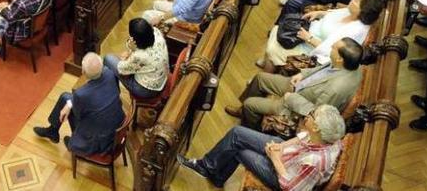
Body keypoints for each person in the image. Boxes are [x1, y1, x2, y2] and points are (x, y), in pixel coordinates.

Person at [177, 104, 347, 190]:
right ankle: (210, 170)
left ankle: (209, 170)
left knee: (240, 150)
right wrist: (279, 148)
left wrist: (275, 159)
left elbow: (290, 187)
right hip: (286, 154)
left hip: (280, 174)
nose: (307, 115)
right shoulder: (325, 136)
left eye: (311, 115)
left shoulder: (315, 162)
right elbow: (301, 139)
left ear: (316, 127)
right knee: (237, 133)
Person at [230, 39, 365, 129]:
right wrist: (302, 74)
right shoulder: (349, 64)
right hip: (300, 86)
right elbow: (323, 69)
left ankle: (250, 128)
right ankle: (242, 111)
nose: (330, 47)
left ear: (340, 58)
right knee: (260, 78)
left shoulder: (336, 89)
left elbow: (316, 113)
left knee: (250, 104)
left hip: (294, 105)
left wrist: (291, 98)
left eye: (334, 48)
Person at [261, 0, 382, 70]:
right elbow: (333, 14)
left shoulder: (355, 30)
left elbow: (332, 51)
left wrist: (308, 38)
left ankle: (267, 72)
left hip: (310, 49)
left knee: (273, 48)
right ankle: (269, 63)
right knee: (278, 31)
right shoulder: (350, 11)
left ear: (362, 11)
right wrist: (319, 13)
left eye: (356, 1)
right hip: (307, 32)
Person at [33, 52, 125, 152]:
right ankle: (53, 130)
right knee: (66, 97)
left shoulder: (82, 94)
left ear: (83, 72)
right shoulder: (110, 74)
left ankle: (72, 140)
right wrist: (69, 104)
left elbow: (78, 115)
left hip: (98, 140)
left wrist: (70, 105)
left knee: (69, 104)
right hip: (116, 125)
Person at [103, 18, 170, 98]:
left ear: (136, 39)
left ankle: (112, 96)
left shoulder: (139, 56)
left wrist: (129, 54)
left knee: (108, 59)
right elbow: (132, 44)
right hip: (161, 79)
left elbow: (122, 69)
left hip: (147, 90)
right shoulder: (156, 32)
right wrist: (131, 50)